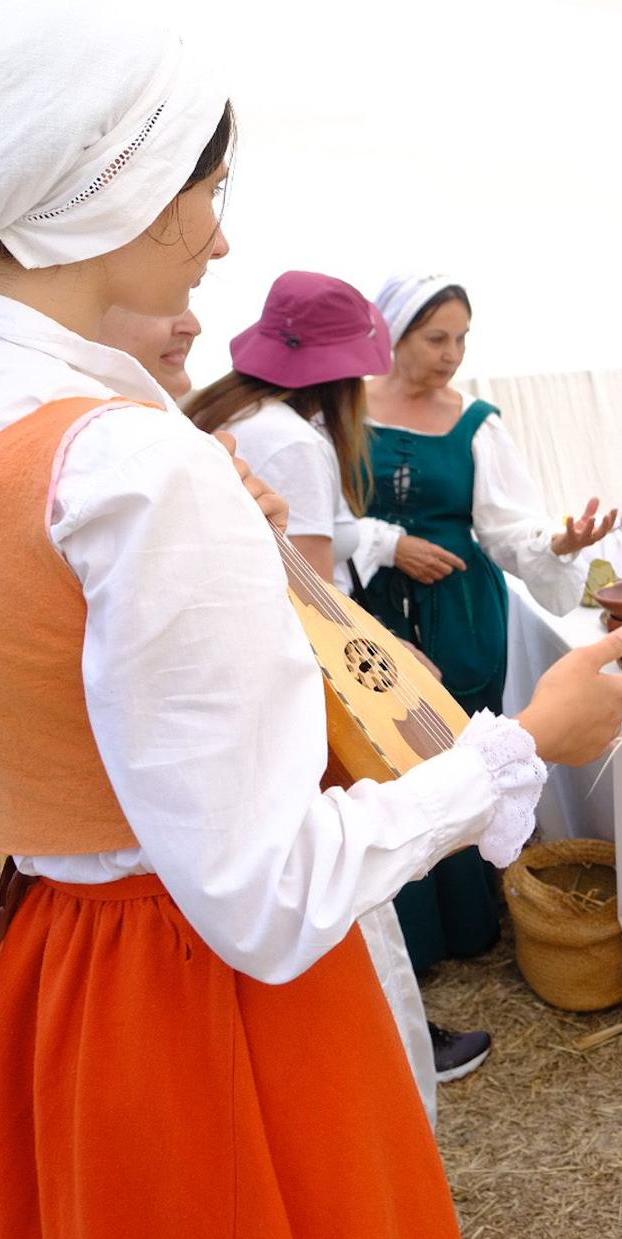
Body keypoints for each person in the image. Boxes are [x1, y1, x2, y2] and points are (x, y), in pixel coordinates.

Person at [0, 3, 622, 1239]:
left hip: (65, 970)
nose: (221, 234)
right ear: (112, 188)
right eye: (208, 192)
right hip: (205, 1004)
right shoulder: (120, 464)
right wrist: (519, 745)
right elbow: (264, 892)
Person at [188, 269, 490, 1093]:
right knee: (348, 860)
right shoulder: (296, 440)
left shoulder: (229, 415)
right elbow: (315, 599)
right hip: (297, 680)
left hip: (232, 675)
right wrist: (389, 657)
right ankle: (395, 1035)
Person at [358, 274, 616, 973]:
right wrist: (385, 542)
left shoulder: (477, 422)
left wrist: (557, 545)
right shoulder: (343, 408)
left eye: (461, 338)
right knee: (387, 754)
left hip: (462, 611)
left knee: (465, 745)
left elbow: (507, 530)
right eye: (436, 338)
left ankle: (471, 922)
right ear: (395, 334)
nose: (451, 353)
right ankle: (412, 937)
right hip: (369, 614)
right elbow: (316, 514)